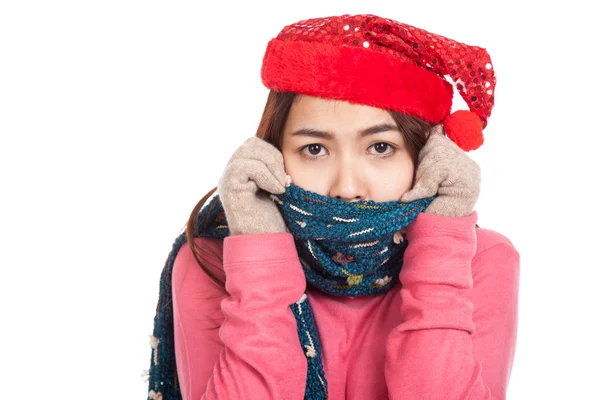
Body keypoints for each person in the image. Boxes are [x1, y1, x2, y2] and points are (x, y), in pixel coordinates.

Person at [145, 13, 520, 400]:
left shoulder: (482, 261)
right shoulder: (212, 262)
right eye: (315, 149)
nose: (348, 188)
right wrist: (259, 253)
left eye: (380, 148)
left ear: (425, 158)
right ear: (273, 156)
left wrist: (441, 248)